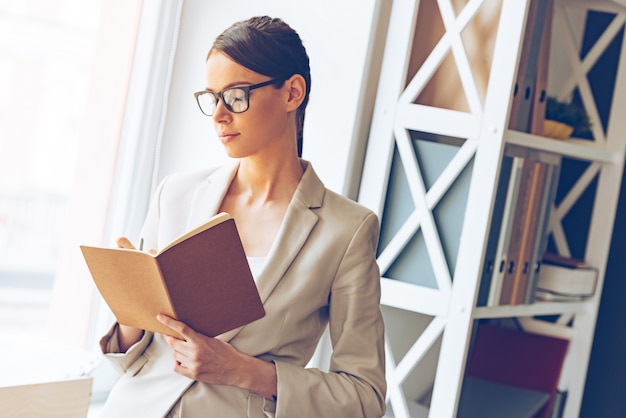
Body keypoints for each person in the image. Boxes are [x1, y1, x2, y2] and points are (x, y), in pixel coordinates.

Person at [98, 15, 386, 418]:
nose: (218, 115)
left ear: (292, 93)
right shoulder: (176, 194)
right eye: (211, 97)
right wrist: (132, 310)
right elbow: (133, 356)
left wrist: (245, 372)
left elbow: (365, 397)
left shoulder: (347, 230)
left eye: (235, 96)